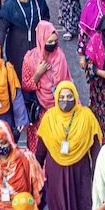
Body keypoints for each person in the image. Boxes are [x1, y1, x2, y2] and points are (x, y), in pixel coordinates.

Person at [30, 81, 100, 210]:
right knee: (59, 209)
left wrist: (97, 174)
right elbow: (41, 150)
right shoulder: (49, 118)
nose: (65, 100)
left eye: (69, 97)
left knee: (79, 208)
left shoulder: (86, 116)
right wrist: (35, 173)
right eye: (61, 97)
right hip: (56, 174)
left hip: (79, 173)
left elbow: (95, 147)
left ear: (75, 97)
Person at [19, 22, 67, 150]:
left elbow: (66, 83)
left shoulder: (60, 57)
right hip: (40, 110)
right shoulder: (30, 59)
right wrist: (38, 74)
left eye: (55, 41)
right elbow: (26, 85)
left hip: (58, 110)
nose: (52, 45)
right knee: (39, 148)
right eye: (49, 42)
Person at [0, 0, 49, 76]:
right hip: (16, 50)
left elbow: (46, 19)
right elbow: (0, 32)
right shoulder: (10, 5)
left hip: (37, 49)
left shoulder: (39, 0)